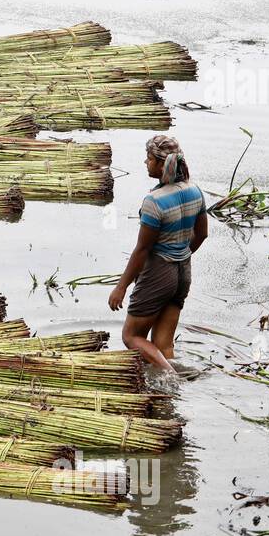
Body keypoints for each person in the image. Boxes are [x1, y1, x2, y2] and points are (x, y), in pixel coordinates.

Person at [107, 134, 208, 373]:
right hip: (183, 272)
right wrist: (181, 254)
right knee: (163, 345)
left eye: (149, 158)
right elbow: (202, 235)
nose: (145, 163)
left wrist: (121, 287)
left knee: (131, 337)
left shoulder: (155, 201)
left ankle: (171, 377)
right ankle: (167, 397)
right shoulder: (195, 191)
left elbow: (143, 249)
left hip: (159, 273)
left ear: (162, 164)